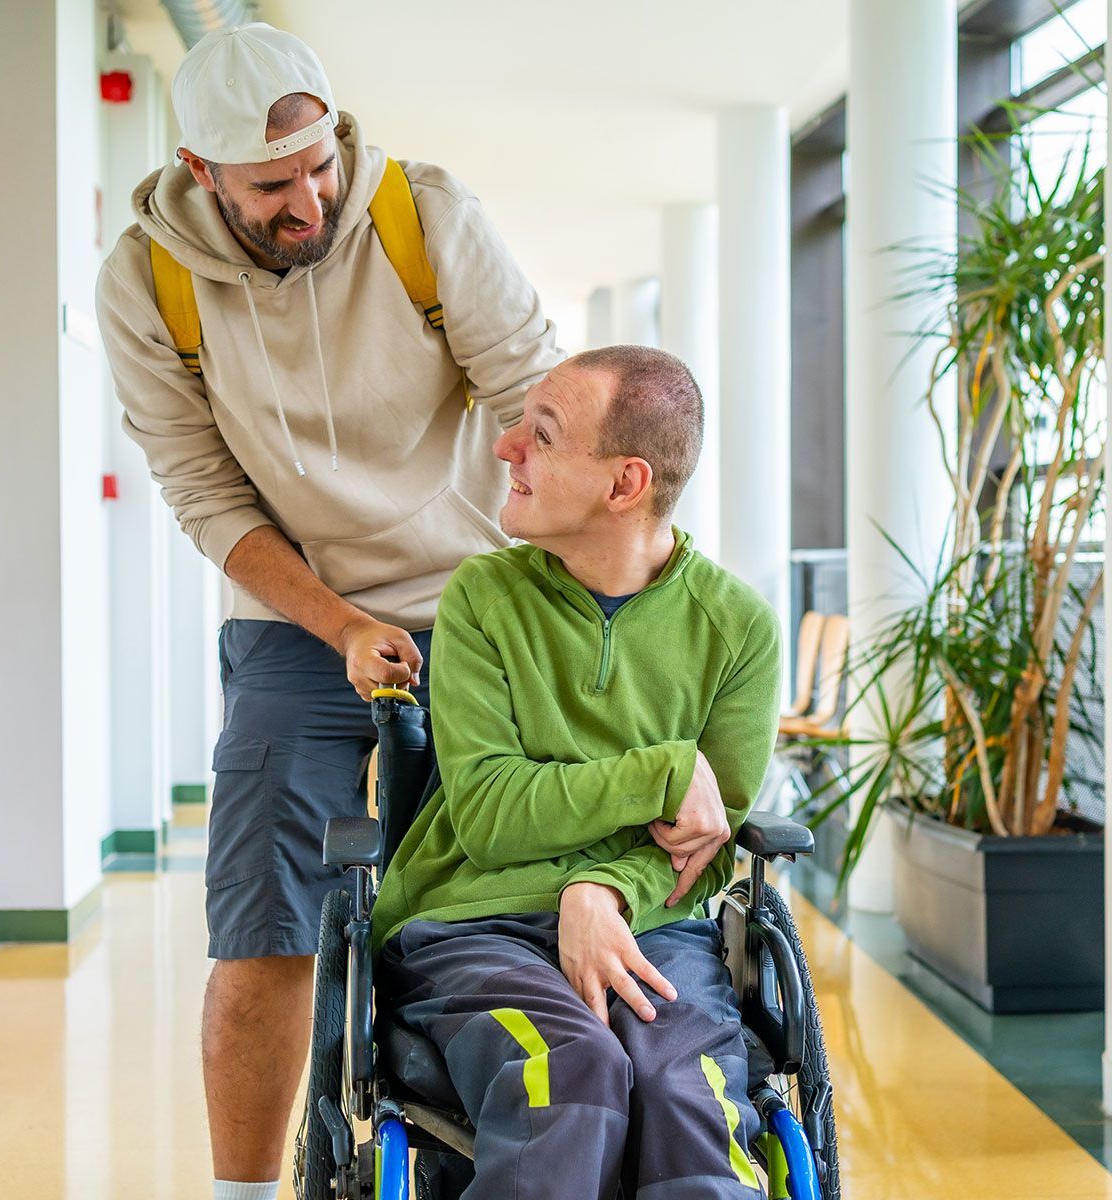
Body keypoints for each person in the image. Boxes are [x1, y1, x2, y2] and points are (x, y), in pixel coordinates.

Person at [94, 23, 562, 1199]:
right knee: (261, 927)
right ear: (201, 172)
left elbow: (538, 402)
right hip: (299, 616)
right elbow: (205, 495)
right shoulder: (146, 283)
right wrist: (341, 625)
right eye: (271, 184)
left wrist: (570, 584)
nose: (309, 197)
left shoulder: (424, 218)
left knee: (510, 889)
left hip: (477, 595)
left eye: (319, 166)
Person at [371, 346, 781, 1199]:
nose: (506, 446)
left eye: (542, 435)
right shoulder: (483, 598)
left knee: (687, 1098)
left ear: (624, 485)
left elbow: (706, 840)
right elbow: (487, 813)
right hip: (472, 924)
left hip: (654, 929)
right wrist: (662, 773)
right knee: (565, 1075)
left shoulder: (736, 628)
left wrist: (599, 892)